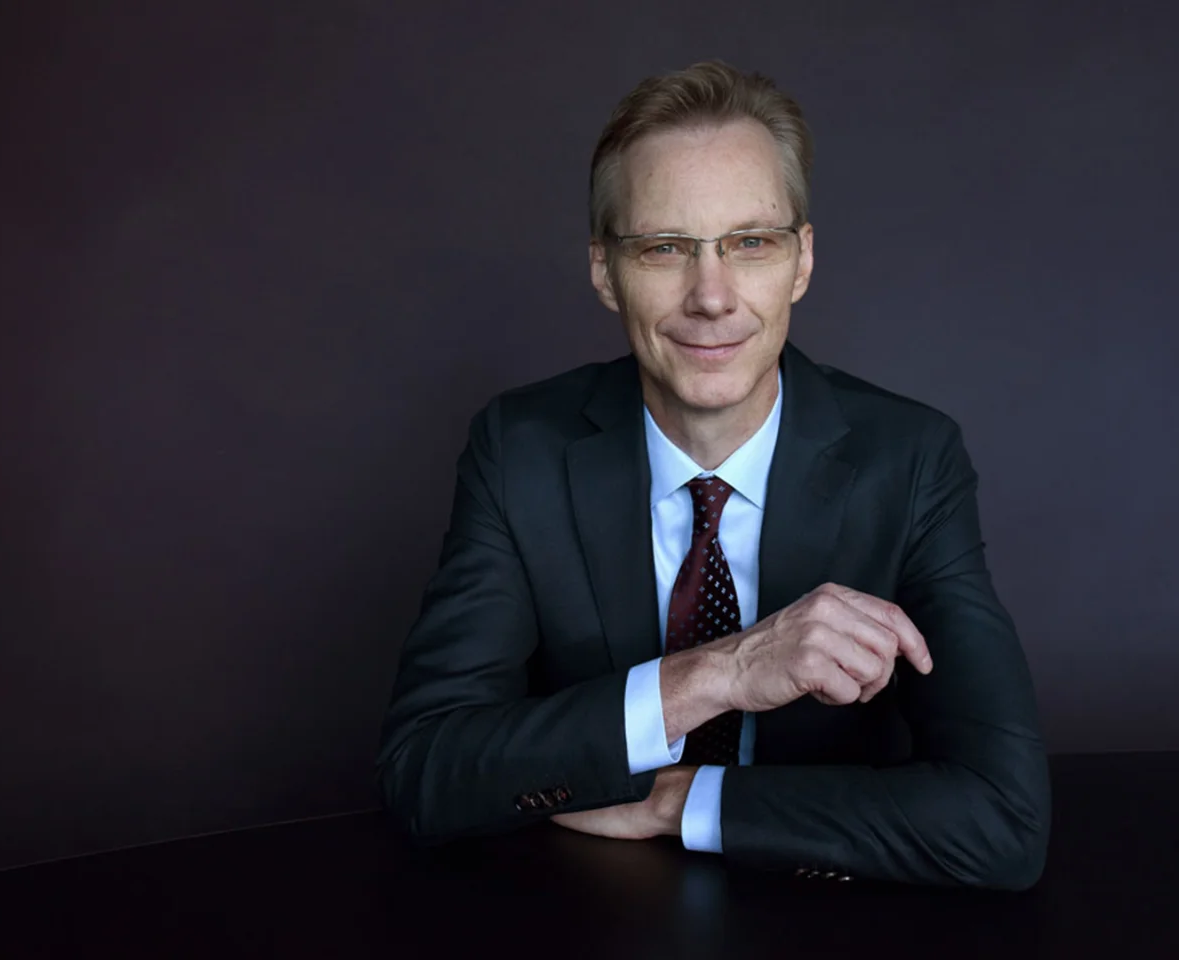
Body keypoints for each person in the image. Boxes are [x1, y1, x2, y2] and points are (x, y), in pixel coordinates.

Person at [375, 60, 1050, 889]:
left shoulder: (911, 461)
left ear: (801, 262)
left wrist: (686, 804)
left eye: (752, 243)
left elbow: (1003, 821)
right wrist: (721, 672)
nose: (712, 296)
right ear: (603, 271)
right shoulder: (520, 451)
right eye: (665, 248)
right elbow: (426, 771)